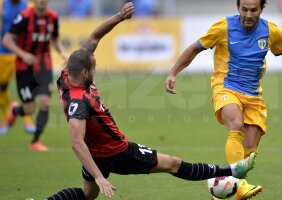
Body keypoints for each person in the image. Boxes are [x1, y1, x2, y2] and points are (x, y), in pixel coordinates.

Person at [45, 2, 256, 199]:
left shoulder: (68, 74)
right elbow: (75, 141)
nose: (96, 69)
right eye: (93, 68)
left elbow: (94, 36)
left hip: (98, 150)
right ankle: (232, 171)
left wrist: (119, 17)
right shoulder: (77, 102)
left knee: (87, 194)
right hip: (116, 151)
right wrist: (99, 176)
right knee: (172, 164)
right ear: (83, 72)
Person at [165, 0, 282, 199]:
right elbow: (194, 48)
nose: (248, 15)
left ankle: (225, 189)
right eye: (244, 9)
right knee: (236, 124)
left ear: (261, 9)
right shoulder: (223, 27)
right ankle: (240, 184)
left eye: (253, 10)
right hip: (225, 87)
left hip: (253, 96)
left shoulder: (270, 31)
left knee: (249, 155)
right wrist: (173, 73)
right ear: (238, 8)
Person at [2, 0, 67, 151]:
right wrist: (23, 54)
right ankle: (15, 111)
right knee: (30, 108)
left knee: (45, 102)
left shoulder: (53, 17)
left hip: (44, 67)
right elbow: (6, 40)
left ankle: (35, 141)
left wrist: (62, 52)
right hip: (24, 68)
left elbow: (55, 38)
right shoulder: (24, 17)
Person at [0, 0, 36, 135]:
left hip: (22, 54)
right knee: (2, 87)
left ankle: (28, 120)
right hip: (3, 53)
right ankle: (5, 118)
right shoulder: (1, 5)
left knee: (26, 87)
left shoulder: (28, 6)